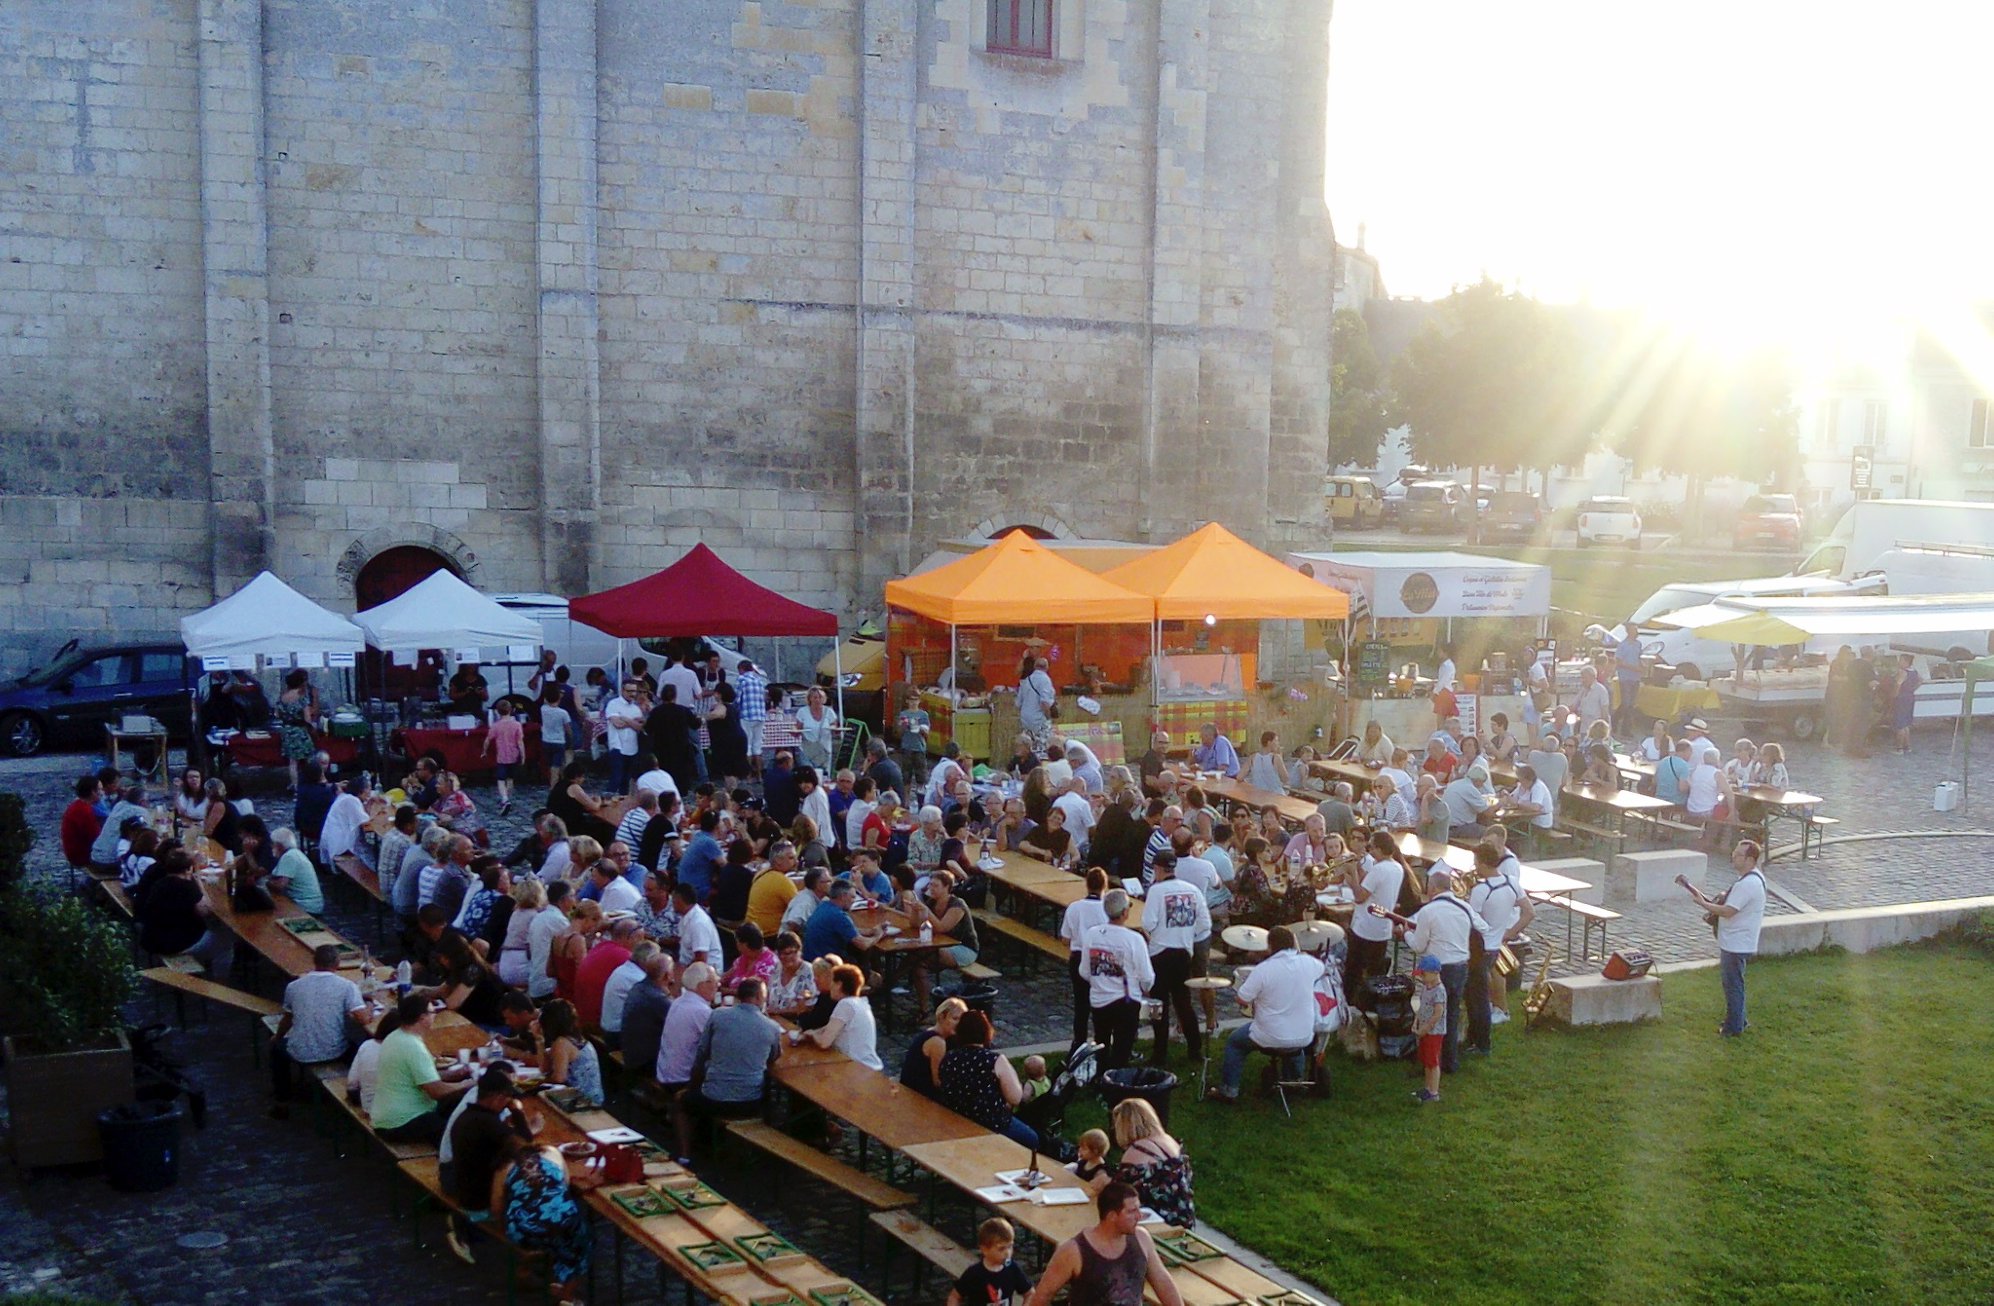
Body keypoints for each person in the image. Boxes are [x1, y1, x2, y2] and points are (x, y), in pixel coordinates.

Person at [1205, 922, 1323, 1105]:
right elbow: (1321, 969)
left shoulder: (1263, 970)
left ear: (1269, 946)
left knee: (1235, 1042)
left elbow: (1242, 999)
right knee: (1294, 1045)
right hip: (1304, 1034)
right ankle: (1294, 1080)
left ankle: (1229, 1091)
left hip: (1270, 1034)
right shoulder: (1310, 964)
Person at [1026, 1180, 1183, 1306]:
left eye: (1138, 1209)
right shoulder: (1074, 1251)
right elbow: (1043, 1294)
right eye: (1131, 1211)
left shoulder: (1141, 1238)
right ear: (1112, 1216)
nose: (1139, 1216)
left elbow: (1162, 1281)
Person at [1396, 868, 1487, 1076]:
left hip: (1438, 971)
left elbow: (1418, 946)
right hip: (1461, 966)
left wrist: (1406, 934)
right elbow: (1483, 927)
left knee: (1430, 1017)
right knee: (1451, 1015)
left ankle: (1430, 1063)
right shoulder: (1464, 906)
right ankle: (1450, 1062)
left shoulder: (1428, 911)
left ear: (1433, 888)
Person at [493, 1139, 598, 1302]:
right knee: (580, 1243)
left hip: (523, 1232)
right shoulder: (551, 1152)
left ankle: (524, 1270)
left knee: (543, 1233)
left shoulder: (503, 1168)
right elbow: (564, 1186)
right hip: (561, 1221)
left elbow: (497, 1206)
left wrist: (505, 1230)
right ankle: (567, 1296)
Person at [269, 943, 367, 1113]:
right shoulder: (347, 986)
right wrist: (370, 1007)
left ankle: (281, 1101)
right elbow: (363, 1018)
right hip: (335, 1051)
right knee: (360, 1049)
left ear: (314, 962)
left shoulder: (294, 986)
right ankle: (359, 1095)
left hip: (299, 1051)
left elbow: (287, 1019)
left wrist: (277, 1037)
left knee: (276, 1050)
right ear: (337, 963)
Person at [1683, 839, 1767, 1036]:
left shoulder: (1748, 884)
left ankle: (1733, 1027)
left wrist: (1703, 904)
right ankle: (1739, 1019)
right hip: (1739, 940)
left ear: (1749, 859)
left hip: (1736, 943)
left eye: (1738, 855)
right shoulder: (1752, 879)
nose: (1733, 857)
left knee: (1733, 985)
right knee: (1736, 982)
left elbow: (1728, 911)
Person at [372, 994, 474, 1142]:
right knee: (459, 1133)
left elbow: (422, 1077)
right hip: (402, 1121)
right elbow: (437, 1092)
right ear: (422, 1017)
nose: (435, 1016)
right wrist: (466, 1085)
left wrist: (456, 1074)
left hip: (385, 1117)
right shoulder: (413, 1047)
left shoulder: (395, 1037)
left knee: (456, 1107)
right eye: (432, 1012)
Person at [1141, 851, 1208, 1067]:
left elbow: (1148, 923)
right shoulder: (1192, 890)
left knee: (1159, 1005)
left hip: (1160, 952)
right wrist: (1188, 935)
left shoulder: (1156, 891)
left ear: (1158, 869)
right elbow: (1204, 924)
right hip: (1183, 952)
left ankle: (1160, 1053)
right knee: (1183, 1002)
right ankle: (1195, 1048)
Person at [939, 1009, 1039, 1149]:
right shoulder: (994, 1060)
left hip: (956, 1119)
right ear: (986, 1032)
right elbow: (1015, 1098)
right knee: (1032, 1139)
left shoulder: (948, 1058)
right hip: (991, 1124)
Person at [1464, 843, 1530, 1051]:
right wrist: (1508, 934)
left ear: (1482, 863)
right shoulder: (1512, 883)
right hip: (1496, 945)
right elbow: (1530, 912)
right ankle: (1477, 1039)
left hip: (1478, 948)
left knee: (1477, 998)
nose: (1474, 866)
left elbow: (1470, 920)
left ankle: (1480, 1042)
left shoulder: (1481, 889)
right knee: (1480, 994)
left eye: (1476, 862)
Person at [1080, 889, 1152, 1071]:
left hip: (1099, 1000)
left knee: (1101, 1043)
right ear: (1125, 912)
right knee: (1122, 1048)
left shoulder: (1092, 934)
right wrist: (1145, 989)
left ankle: (1101, 1078)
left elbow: (1084, 971)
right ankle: (1116, 1085)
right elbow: (1147, 976)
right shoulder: (1134, 939)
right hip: (1125, 1001)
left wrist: (1099, 983)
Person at [1109, 1097, 1194, 1228]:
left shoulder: (1136, 1152)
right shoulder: (1172, 1142)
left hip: (1154, 1222)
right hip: (1183, 1218)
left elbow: (1117, 1194)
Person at [1345, 832, 1408, 994]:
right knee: (1375, 972)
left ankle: (1351, 1000)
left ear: (1379, 849)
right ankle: (1373, 1002)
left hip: (1365, 927)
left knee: (1353, 968)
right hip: (1382, 928)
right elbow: (1371, 886)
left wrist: (1351, 873)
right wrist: (1358, 868)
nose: (1369, 851)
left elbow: (1359, 897)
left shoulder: (1379, 869)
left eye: (1371, 847)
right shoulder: (1397, 867)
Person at [789, 962, 882, 1070]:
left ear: (839, 984)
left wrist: (813, 1035)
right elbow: (828, 1029)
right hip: (863, 1065)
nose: (830, 986)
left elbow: (824, 1043)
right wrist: (810, 1034)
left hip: (858, 1067)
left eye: (832, 982)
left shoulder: (846, 1004)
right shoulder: (861, 1002)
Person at [949, 1216, 1034, 1306]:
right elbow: (954, 1297)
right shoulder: (974, 1273)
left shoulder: (1012, 1269)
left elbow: (1030, 1293)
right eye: (1001, 1249)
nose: (1007, 1253)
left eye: (1010, 1247)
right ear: (985, 1249)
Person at [900, 996, 968, 1098]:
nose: (959, 1023)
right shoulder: (937, 1042)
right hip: (916, 1096)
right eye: (955, 1018)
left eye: (961, 1019)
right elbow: (937, 1081)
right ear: (941, 1017)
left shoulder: (932, 1033)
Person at [801, 879, 879, 962]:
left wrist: (870, 931)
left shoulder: (824, 905)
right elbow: (863, 945)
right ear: (843, 896)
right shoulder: (838, 916)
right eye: (852, 897)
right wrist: (879, 935)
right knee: (865, 954)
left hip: (810, 957)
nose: (854, 901)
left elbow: (848, 930)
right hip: (824, 964)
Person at [273, 669, 319, 790]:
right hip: (300, 731)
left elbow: (277, 714)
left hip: (287, 730)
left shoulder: (282, 697)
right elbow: (307, 718)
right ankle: (311, 782)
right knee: (308, 758)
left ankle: (295, 786)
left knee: (292, 762)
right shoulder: (301, 698)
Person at [1411, 954, 1446, 1104]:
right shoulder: (1426, 988)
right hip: (1424, 1029)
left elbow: (1438, 1013)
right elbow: (1422, 1006)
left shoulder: (1439, 991)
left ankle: (1434, 1092)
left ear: (1434, 973)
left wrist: (1426, 1027)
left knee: (1433, 1062)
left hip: (1434, 1032)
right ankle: (1427, 1087)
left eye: (1424, 974)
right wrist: (1416, 1021)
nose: (1422, 978)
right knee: (1426, 1060)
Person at [266, 827, 324, 913]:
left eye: (273, 844)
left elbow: (280, 885)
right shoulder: (295, 854)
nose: (271, 847)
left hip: (306, 906)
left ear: (279, 845)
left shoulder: (289, 857)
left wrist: (267, 882)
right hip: (313, 903)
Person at [673, 882, 723, 969]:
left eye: (673, 900)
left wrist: (681, 972)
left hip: (704, 973)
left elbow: (701, 960)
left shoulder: (699, 923)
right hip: (687, 965)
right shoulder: (686, 916)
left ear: (679, 900)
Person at [1016, 656, 1057, 753]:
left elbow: (1018, 703)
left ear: (1034, 666)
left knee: (1029, 746)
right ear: (1047, 667)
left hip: (1025, 719)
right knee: (1042, 747)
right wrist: (1048, 717)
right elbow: (1044, 703)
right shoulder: (1045, 680)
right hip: (1039, 719)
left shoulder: (1026, 680)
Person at [796, 685, 840, 771]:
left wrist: (833, 728)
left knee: (823, 775)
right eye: (815, 697)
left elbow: (835, 728)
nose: (818, 700)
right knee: (809, 774)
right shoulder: (802, 711)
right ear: (810, 699)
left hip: (824, 750)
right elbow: (797, 729)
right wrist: (794, 731)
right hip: (807, 749)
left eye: (820, 697)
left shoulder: (829, 712)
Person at [1892, 652, 1922, 753]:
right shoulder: (1914, 671)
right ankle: (1907, 746)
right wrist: (1913, 688)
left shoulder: (1902, 672)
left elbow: (1898, 684)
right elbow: (1920, 680)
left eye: (1901, 660)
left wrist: (1895, 694)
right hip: (1910, 696)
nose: (1899, 662)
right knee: (1906, 723)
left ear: (1906, 662)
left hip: (1901, 697)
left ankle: (1899, 748)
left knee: (1900, 723)